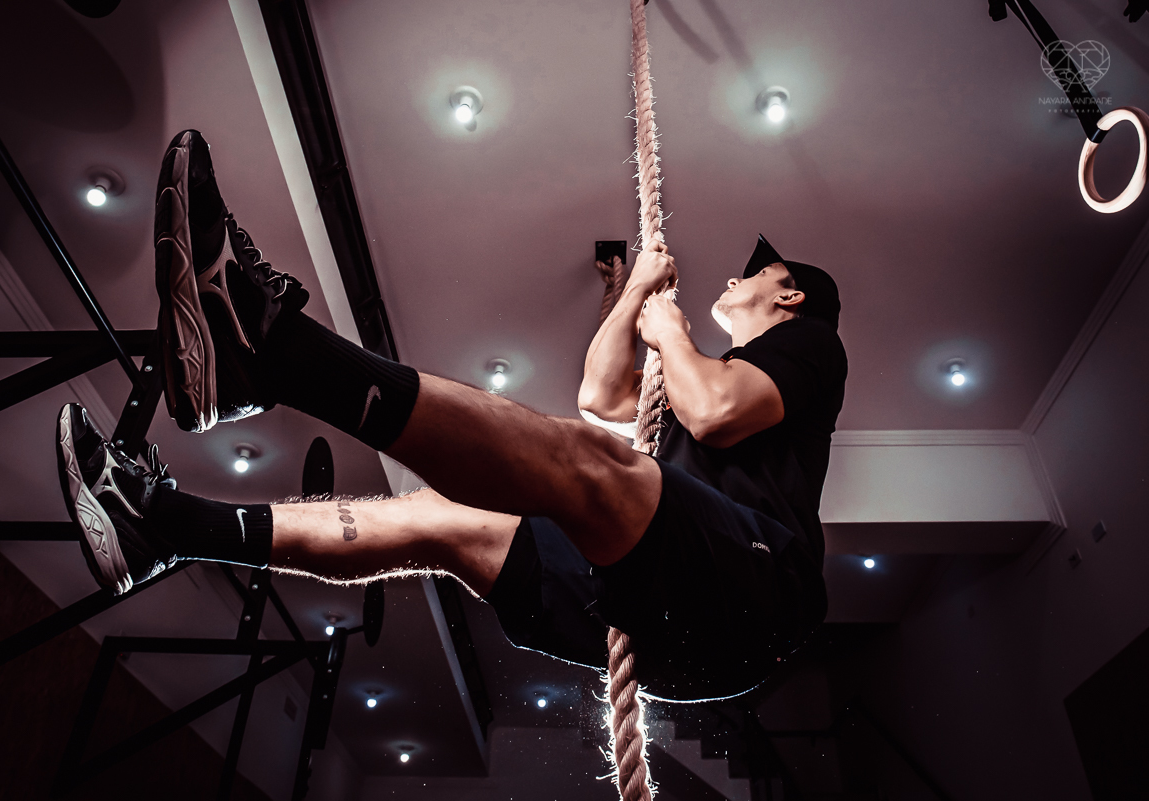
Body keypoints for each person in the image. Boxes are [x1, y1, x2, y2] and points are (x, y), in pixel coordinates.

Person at [56, 130, 846, 702]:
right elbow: (601, 394)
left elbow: (710, 413)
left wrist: (669, 324)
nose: (740, 276)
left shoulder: (809, 345)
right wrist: (639, 291)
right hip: (667, 612)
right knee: (447, 520)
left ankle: (272, 355)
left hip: (755, 590)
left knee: (588, 466)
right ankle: (164, 528)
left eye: (757, 270)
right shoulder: (697, 368)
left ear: (789, 292)